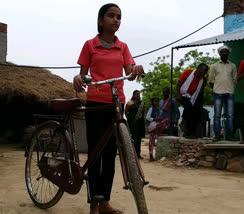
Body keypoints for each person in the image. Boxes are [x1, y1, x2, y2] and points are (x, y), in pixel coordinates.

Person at [73, 3, 144, 214]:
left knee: (110, 154)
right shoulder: (89, 45)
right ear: (100, 20)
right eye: (111, 16)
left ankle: (105, 202)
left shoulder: (123, 47)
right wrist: (78, 78)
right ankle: (94, 203)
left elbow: (130, 69)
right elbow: (82, 74)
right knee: (95, 153)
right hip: (95, 103)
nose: (116, 20)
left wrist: (136, 68)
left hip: (116, 104)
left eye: (119, 17)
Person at [208, 45, 237, 141]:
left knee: (230, 115)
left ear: (228, 53)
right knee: (217, 114)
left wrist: (231, 88)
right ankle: (217, 135)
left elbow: (235, 79)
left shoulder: (233, 65)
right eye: (222, 52)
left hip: (229, 92)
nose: (224, 53)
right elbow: (211, 81)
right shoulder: (214, 66)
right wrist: (216, 89)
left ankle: (229, 136)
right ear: (219, 53)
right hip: (218, 93)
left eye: (226, 52)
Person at [176, 63, 209, 138]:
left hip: (192, 97)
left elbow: (199, 92)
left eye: (205, 72)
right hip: (183, 94)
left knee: (195, 112)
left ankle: (190, 132)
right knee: (189, 106)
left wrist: (196, 102)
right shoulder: (188, 72)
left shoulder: (202, 80)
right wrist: (178, 94)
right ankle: (183, 122)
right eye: (202, 71)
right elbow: (179, 83)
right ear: (198, 69)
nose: (203, 74)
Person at [125, 90, 145, 159]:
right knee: (133, 138)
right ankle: (132, 154)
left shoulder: (141, 103)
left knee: (138, 138)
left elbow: (143, 112)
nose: (138, 95)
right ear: (133, 95)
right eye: (136, 94)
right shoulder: (129, 103)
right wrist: (131, 121)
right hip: (132, 123)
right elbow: (126, 112)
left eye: (139, 94)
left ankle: (138, 153)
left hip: (139, 123)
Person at [145, 96, 159, 161]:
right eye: (155, 101)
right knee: (151, 141)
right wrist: (154, 119)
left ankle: (151, 155)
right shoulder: (151, 108)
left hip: (155, 124)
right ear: (152, 102)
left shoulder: (156, 109)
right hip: (152, 124)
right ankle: (150, 155)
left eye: (157, 101)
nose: (156, 102)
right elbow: (147, 117)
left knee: (152, 141)